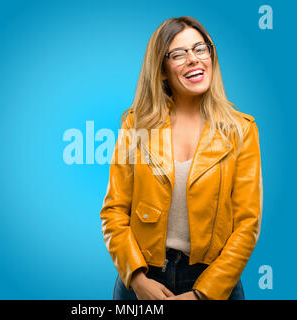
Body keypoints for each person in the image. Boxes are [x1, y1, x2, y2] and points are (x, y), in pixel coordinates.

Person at [100, 16, 263, 300]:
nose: (193, 59)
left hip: (215, 281)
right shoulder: (135, 125)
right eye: (179, 54)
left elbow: (247, 224)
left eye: (200, 49)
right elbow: (114, 211)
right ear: (162, 70)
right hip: (142, 280)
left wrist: (202, 294)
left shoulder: (242, 130)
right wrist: (138, 279)